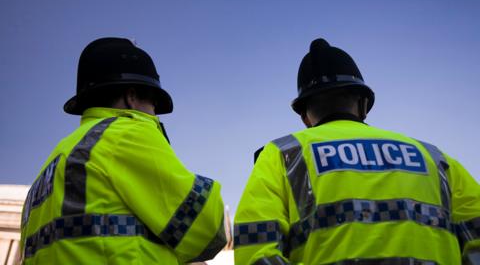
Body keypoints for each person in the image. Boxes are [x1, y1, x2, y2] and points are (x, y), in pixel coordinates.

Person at [234, 38, 480, 265]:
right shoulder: (434, 158)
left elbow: (255, 247)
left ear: (304, 116)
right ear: (363, 104)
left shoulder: (283, 154)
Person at [20, 37, 226, 264]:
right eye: (154, 105)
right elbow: (207, 230)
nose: (155, 115)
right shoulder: (125, 133)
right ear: (132, 97)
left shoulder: (55, 162)